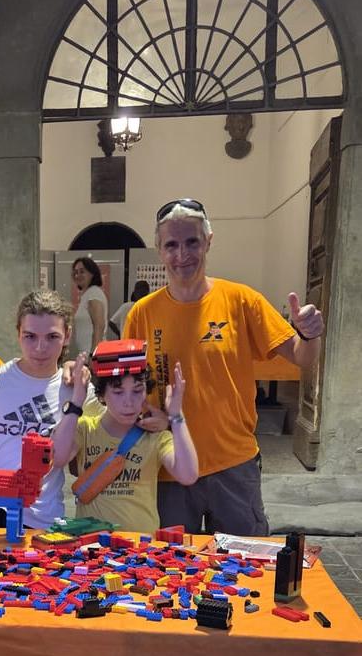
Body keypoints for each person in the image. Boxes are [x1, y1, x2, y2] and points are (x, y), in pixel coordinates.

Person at [123, 199, 324, 534]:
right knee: (173, 563)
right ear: (158, 249)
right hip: (169, 466)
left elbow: (303, 357)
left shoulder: (242, 301)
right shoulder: (142, 314)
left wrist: (310, 334)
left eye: (192, 242)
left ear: (208, 241)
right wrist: (144, 415)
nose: (182, 254)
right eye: (171, 245)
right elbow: (125, 388)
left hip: (234, 464)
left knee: (245, 561)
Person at [0, 289, 77, 529]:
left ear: (67, 336)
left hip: (43, 519)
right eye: (30, 336)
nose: (40, 347)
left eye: (52, 337)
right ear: (18, 334)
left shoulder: (76, 389)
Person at [52, 343, 198, 533]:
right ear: (102, 395)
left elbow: (188, 475)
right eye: (118, 392)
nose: (128, 402)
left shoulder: (156, 437)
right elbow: (57, 457)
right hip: (92, 544)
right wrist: (77, 402)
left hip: (140, 545)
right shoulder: (86, 429)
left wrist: (177, 416)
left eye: (137, 390)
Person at [71, 256, 108, 355]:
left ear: (92, 273)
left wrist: (93, 355)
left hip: (92, 354)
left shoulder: (93, 293)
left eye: (82, 271)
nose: (78, 275)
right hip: (85, 353)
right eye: (75, 272)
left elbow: (99, 326)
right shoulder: (87, 294)